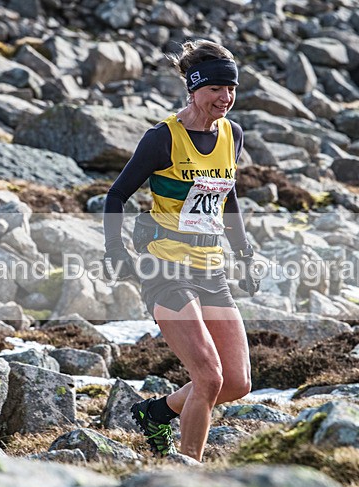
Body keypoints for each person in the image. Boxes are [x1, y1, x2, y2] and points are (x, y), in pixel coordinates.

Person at [102, 40, 259, 462]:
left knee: (237, 383)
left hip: (211, 269)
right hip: (164, 266)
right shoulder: (162, 139)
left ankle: (155, 412)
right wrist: (116, 249)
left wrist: (244, 254)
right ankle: (187, 471)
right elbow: (115, 196)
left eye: (232, 89)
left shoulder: (232, 134)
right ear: (194, 90)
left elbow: (227, 198)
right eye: (215, 89)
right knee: (207, 376)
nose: (225, 98)